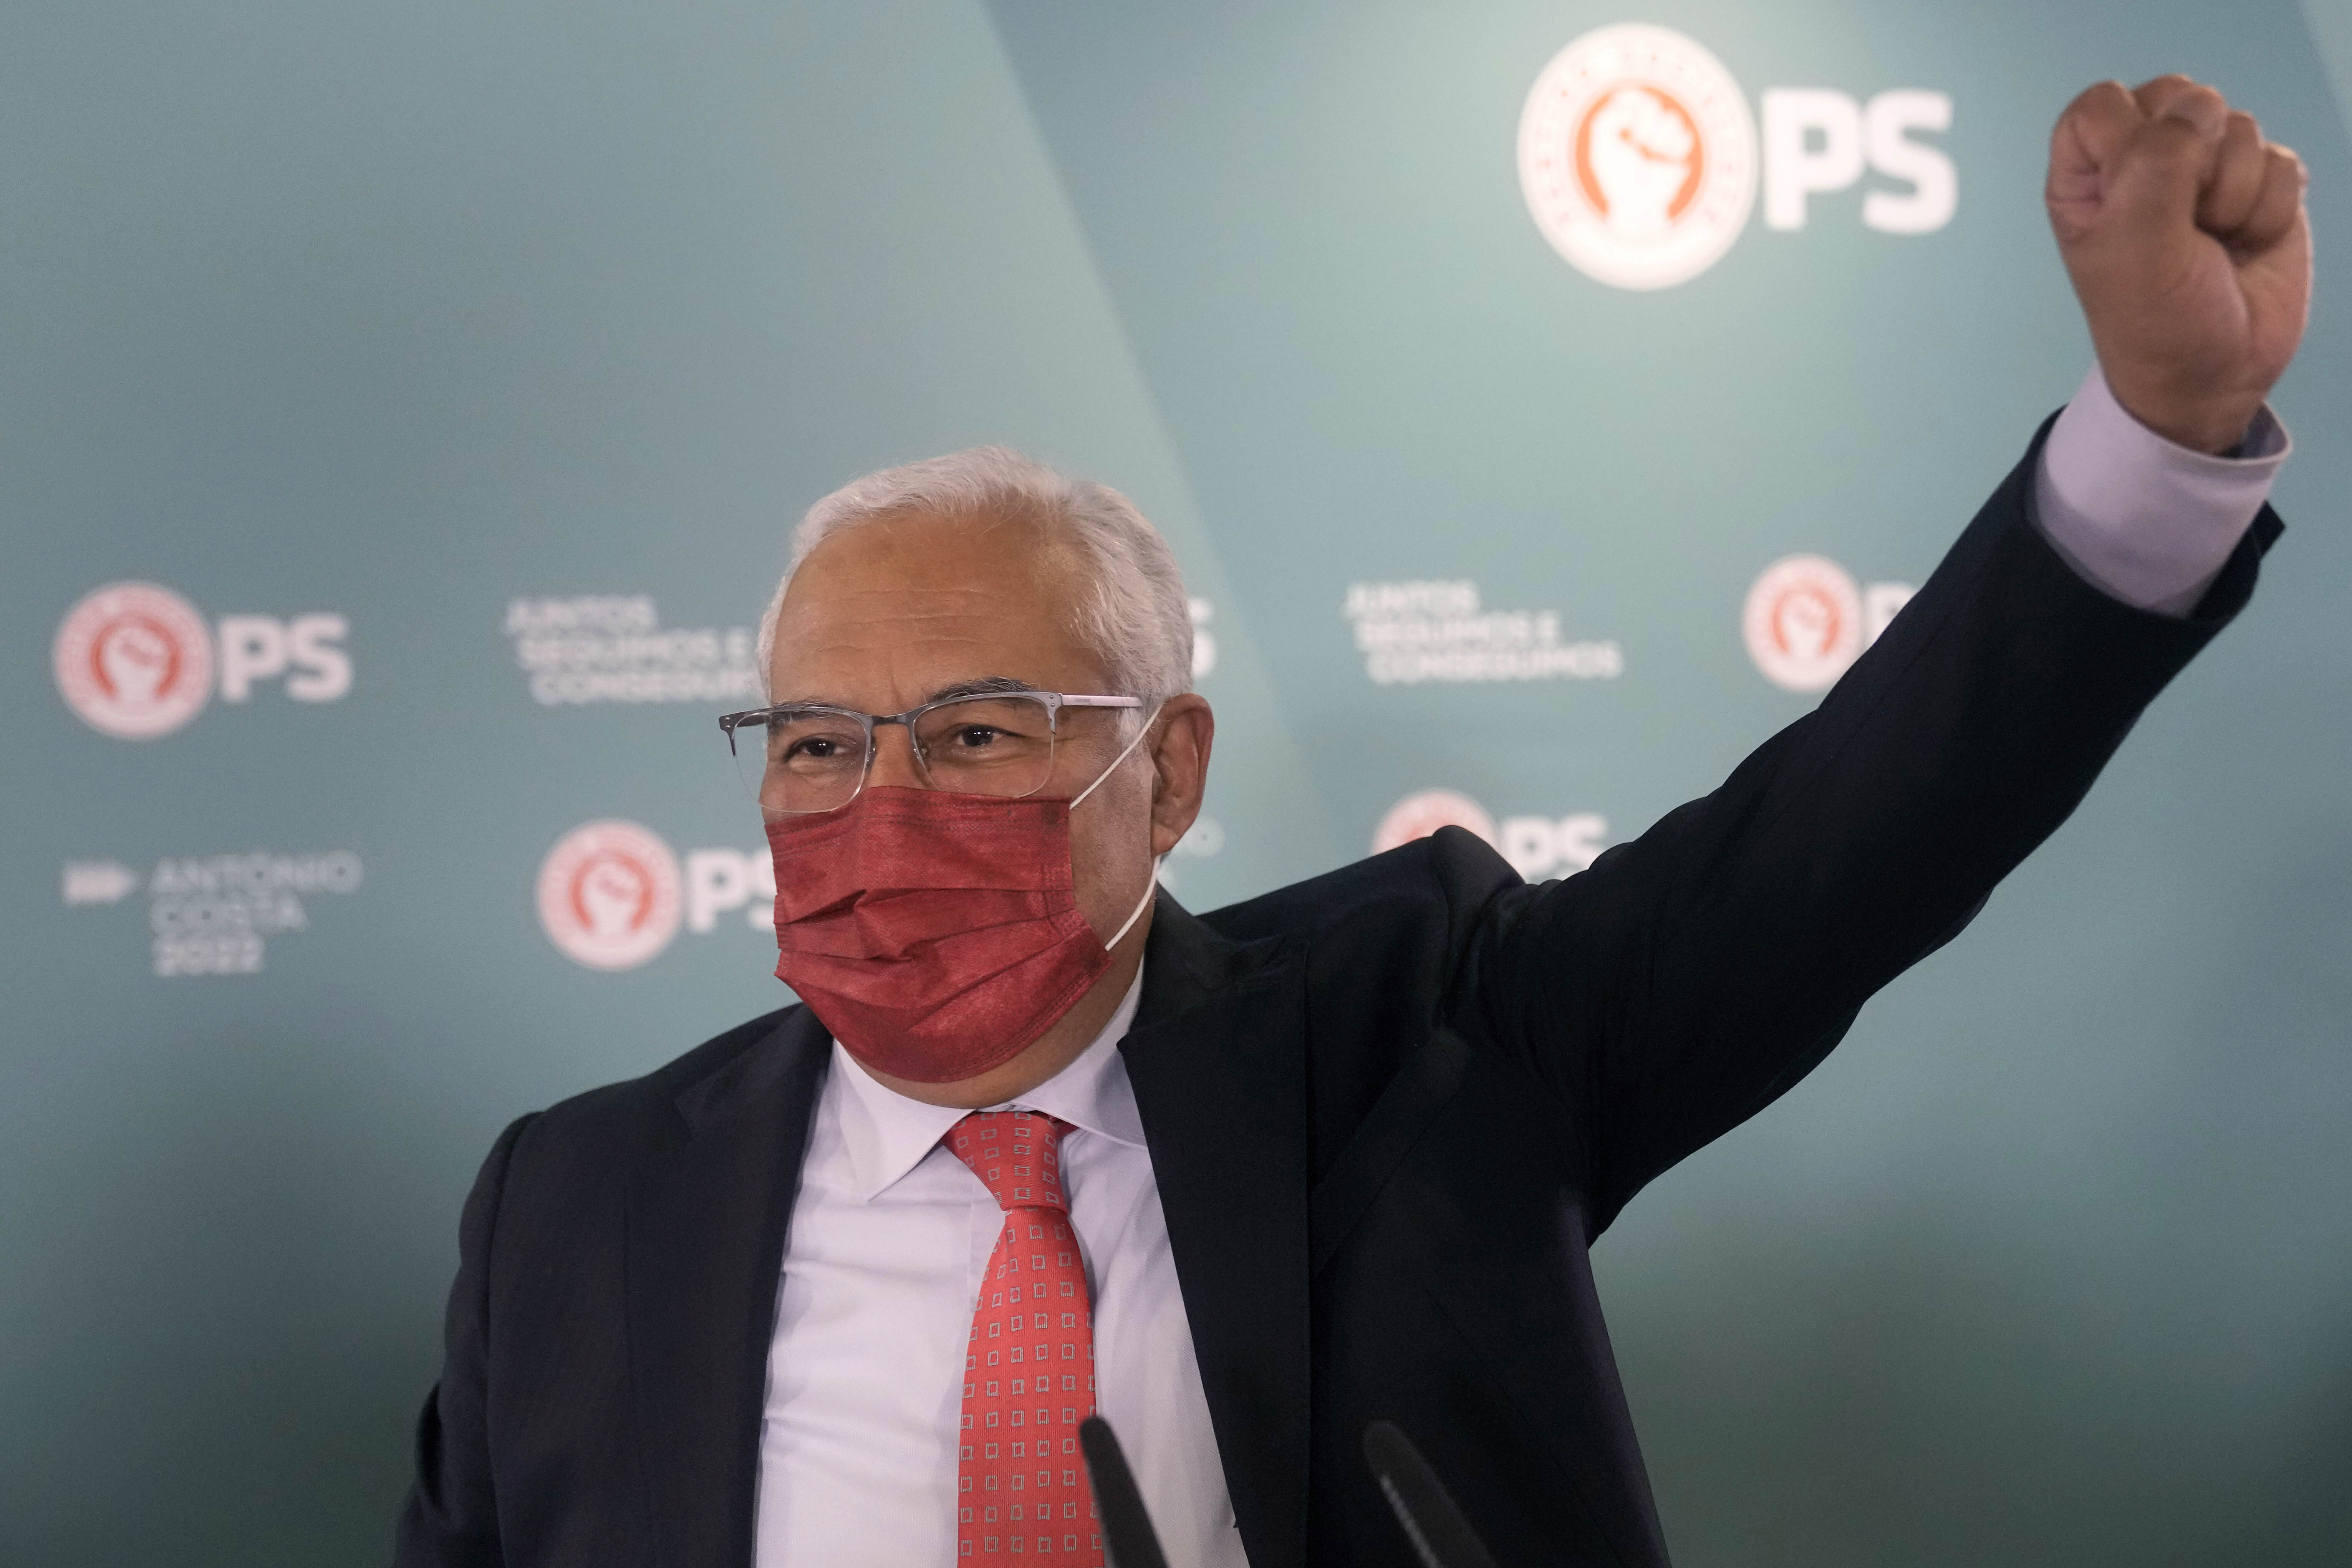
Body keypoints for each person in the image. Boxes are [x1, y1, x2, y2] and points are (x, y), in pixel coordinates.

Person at [393, 76, 2309, 1568]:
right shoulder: (574, 1206)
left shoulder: (1436, 1040)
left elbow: (1846, 841)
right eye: (815, 745)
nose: (877, 812)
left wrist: (2150, 435)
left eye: (978, 733)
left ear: (1171, 771)